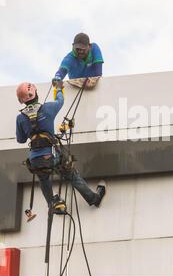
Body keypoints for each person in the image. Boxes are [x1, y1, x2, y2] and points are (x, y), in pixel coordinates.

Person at [16, 81, 106, 213]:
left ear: (22, 100)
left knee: (43, 178)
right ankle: (93, 198)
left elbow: (21, 139)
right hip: (51, 155)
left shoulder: (20, 118)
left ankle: (53, 204)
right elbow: (60, 100)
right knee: (71, 174)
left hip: (35, 160)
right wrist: (58, 88)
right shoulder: (48, 108)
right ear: (35, 93)